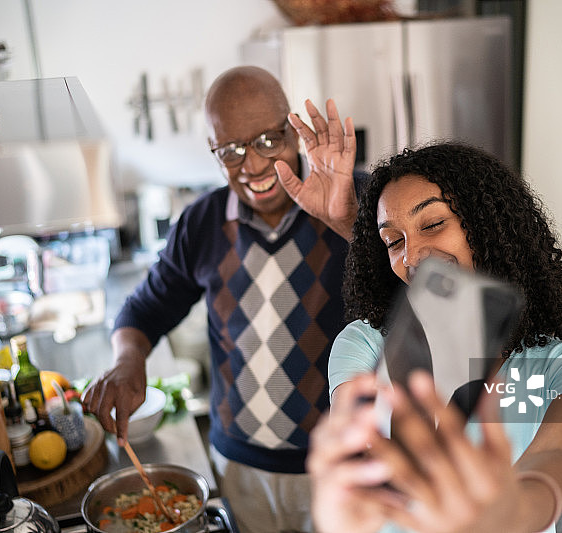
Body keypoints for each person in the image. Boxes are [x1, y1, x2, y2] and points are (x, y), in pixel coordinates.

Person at [82, 65, 360, 533]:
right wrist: (128, 360)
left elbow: (411, 297)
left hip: (342, 466)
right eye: (229, 150)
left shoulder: (351, 202)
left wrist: (349, 219)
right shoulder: (202, 224)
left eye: (268, 140)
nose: (251, 166)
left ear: (293, 131)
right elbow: (146, 308)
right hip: (240, 467)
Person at [306, 142, 562, 533]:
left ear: (488, 225)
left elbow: (560, 453)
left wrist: (514, 510)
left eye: (433, 224)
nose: (412, 256)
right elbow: (359, 437)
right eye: (393, 241)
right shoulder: (365, 344)